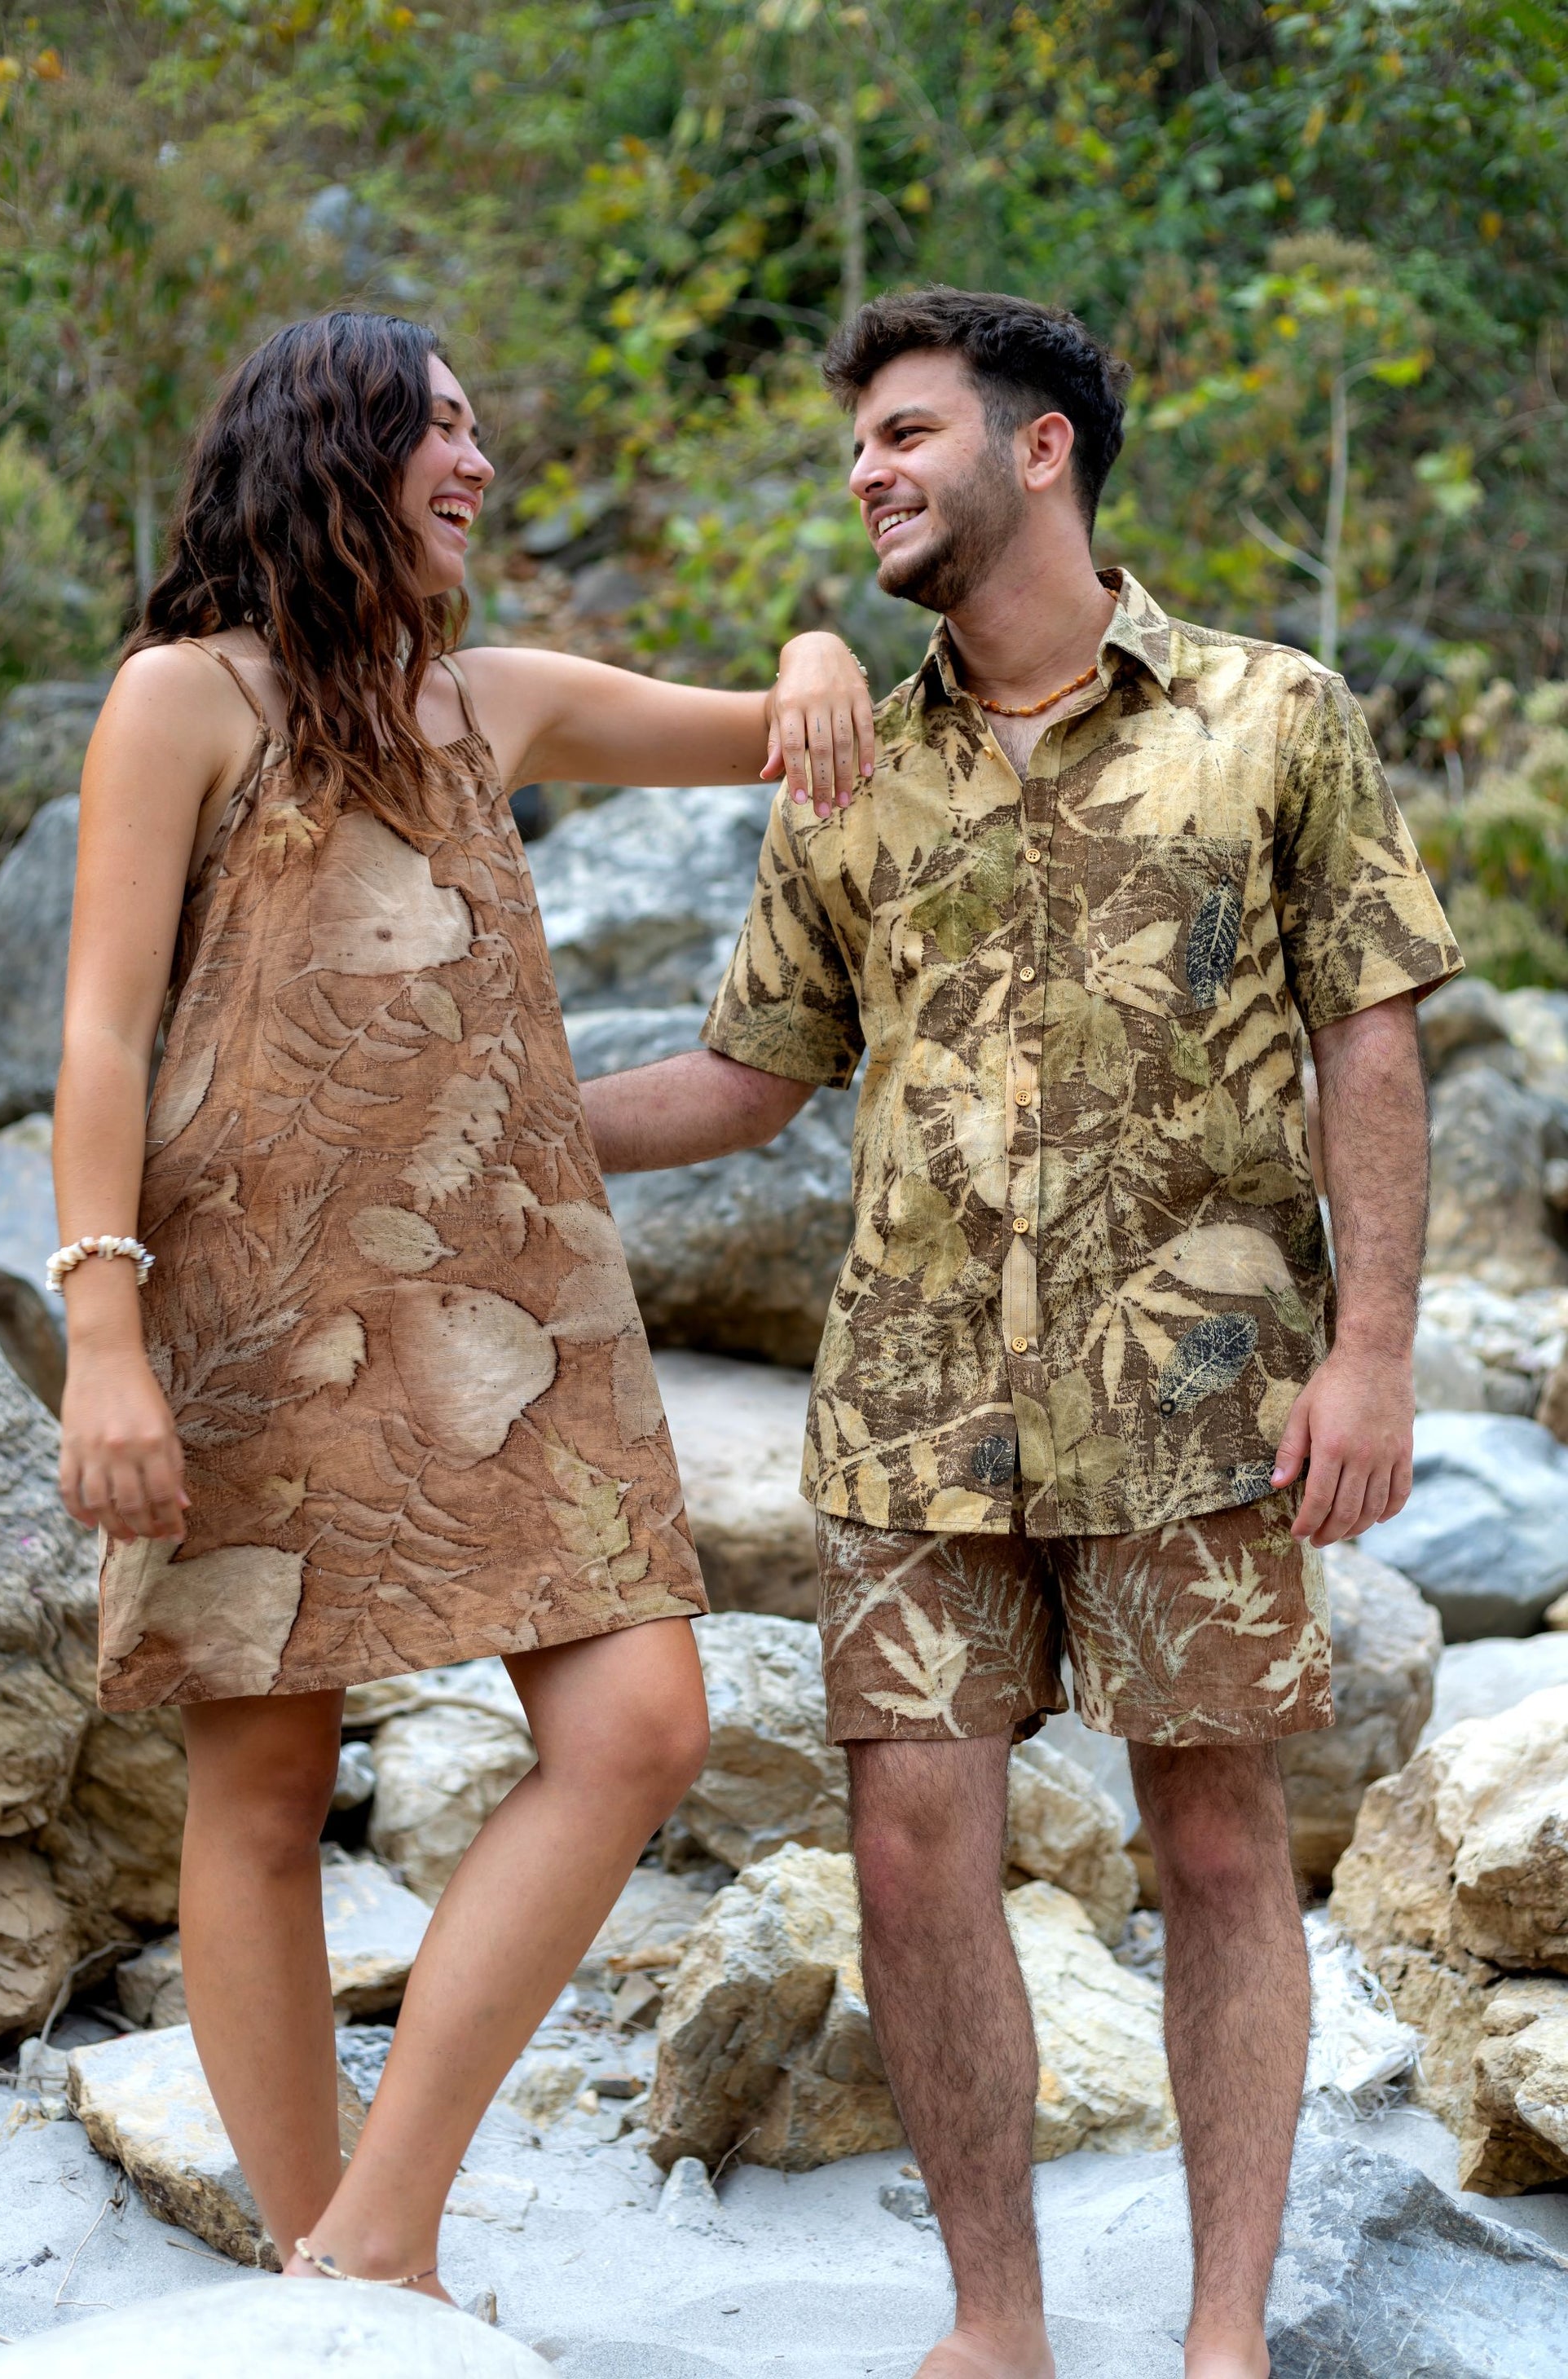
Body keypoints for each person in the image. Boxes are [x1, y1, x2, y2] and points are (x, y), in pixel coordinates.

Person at [579, 286, 1461, 2379]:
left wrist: (1376, 1350)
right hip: (914, 1409)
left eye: (904, 433)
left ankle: (1223, 2334)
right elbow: (745, 1079)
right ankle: (997, 2326)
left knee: (1220, 1837)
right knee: (909, 1857)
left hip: (1202, 1398)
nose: (865, 472)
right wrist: (496, 1112)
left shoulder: (1271, 714)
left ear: (1037, 444)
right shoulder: (851, 768)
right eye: (857, 445)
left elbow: (1370, 1033)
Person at [51, 309, 872, 2306]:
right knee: (260, 1788)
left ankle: (372, 2227)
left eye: (480, 426)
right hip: (250, 1309)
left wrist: (816, 647)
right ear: (327, 446)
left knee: (642, 1724)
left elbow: (770, 728)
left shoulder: (491, 699)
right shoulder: (183, 695)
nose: (479, 461)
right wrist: (102, 1334)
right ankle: (344, 2273)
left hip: (512, 1309)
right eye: (438, 425)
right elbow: (99, 1030)